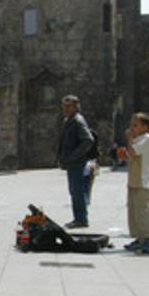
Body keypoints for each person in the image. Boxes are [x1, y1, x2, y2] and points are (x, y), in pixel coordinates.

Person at [56, 94, 94, 228]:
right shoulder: (69, 120)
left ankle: (81, 219)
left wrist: (74, 156)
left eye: (69, 106)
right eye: (64, 106)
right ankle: (78, 218)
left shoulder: (78, 120)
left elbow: (88, 140)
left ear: (76, 107)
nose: (65, 109)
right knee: (74, 191)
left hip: (77, 163)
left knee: (77, 191)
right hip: (71, 163)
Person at [122, 113, 149, 254]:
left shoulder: (146, 139)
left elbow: (133, 152)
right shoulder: (138, 139)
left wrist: (129, 139)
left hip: (143, 182)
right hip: (133, 182)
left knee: (143, 213)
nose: (132, 128)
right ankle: (138, 238)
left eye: (135, 125)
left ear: (145, 127)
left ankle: (147, 239)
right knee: (133, 212)